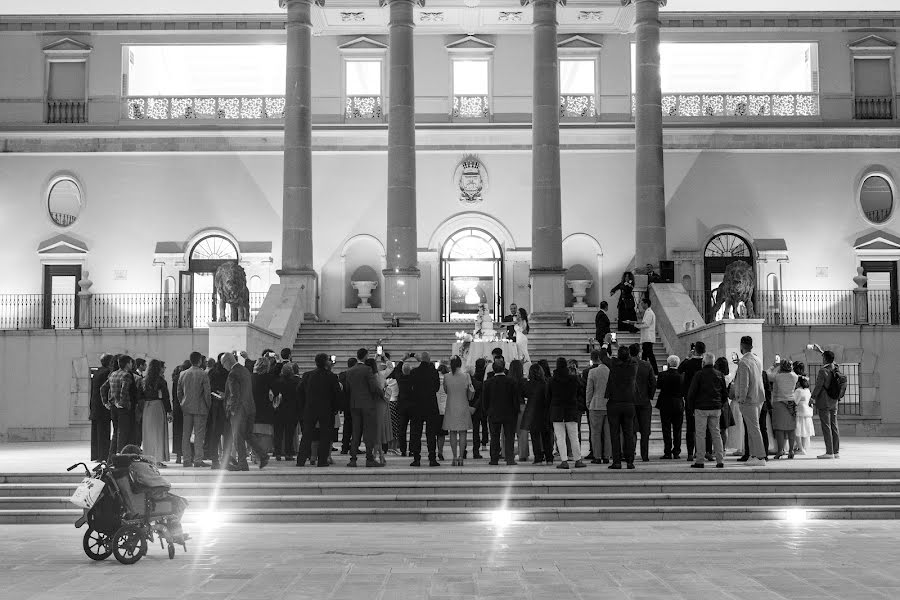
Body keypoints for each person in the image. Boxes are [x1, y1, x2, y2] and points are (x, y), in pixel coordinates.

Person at [296, 353, 342, 467]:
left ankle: (301, 460)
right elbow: (337, 394)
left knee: (307, 435)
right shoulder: (331, 376)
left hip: (310, 408)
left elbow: (299, 391)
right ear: (326, 362)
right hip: (326, 409)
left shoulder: (307, 375)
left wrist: (303, 405)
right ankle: (322, 460)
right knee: (325, 436)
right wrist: (336, 408)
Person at [344, 348, 383, 467]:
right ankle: (369, 458)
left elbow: (347, 389)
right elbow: (373, 387)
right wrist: (381, 394)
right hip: (367, 404)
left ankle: (353, 458)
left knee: (356, 432)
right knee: (368, 431)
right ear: (365, 356)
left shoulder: (349, 371)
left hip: (354, 404)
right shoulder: (367, 370)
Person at [732, 336, 768, 466]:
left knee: (753, 429)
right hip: (759, 398)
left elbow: (744, 384)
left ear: (741, 345)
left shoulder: (743, 362)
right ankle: (753, 455)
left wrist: (741, 399)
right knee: (753, 428)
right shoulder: (757, 359)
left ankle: (760, 457)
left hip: (748, 400)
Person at [687, 352, 727, 469]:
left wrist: (691, 407)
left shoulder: (699, 374)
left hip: (701, 408)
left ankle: (700, 460)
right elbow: (724, 393)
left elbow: (691, 393)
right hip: (716, 408)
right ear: (713, 363)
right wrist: (720, 404)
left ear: (703, 362)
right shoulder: (720, 375)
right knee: (716, 434)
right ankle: (720, 460)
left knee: (700, 434)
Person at [222, 352, 260, 471]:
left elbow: (234, 394)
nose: (224, 367)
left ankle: (242, 463)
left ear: (228, 361)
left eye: (223, 364)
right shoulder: (245, 370)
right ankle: (244, 462)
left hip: (238, 411)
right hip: (249, 408)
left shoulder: (233, 373)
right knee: (244, 436)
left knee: (238, 438)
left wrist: (231, 410)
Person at [547, 357, 583, 470]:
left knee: (560, 437)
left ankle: (564, 461)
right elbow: (580, 392)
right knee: (574, 436)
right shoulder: (573, 379)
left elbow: (548, 396)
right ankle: (578, 459)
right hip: (571, 410)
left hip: (557, 411)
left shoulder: (552, 380)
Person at [482, 360, 521, 466]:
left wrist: (487, 411)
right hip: (510, 414)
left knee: (494, 437)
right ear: (504, 368)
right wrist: (516, 411)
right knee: (509, 437)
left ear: (493, 369)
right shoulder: (512, 381)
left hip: (493, 413)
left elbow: (485, 400)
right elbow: (515, 399)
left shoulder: (488, 383)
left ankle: (494, 459)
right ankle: (510, 459)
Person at [178, 352, 211, 468]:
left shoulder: (183, 374)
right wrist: (208, 406)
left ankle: (186, 460)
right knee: (199, 435)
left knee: (185, 435)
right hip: (200, 408)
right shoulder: (203, 374)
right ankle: (197, 460)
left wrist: (182, 403)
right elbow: (207, 393)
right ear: (200, 361)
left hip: (186, 408)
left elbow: (179, 392)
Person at [606, 345, 637, 469]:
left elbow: (603, 356)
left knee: (614, 433)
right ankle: (630, 461)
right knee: (628, 433)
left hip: (614, 403)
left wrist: (606, 343)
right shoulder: (633, 365)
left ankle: (617, 461)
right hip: (629, 403)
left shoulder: (614, 364)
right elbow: (628, 358)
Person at [409, 352, 442, 467]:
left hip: (417, 406)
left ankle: (416, 458)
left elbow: (410, 389)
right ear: (429, 360)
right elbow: (437, 388)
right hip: (430, 405)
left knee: (416, 433)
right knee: (431, 433)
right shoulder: (434, 372)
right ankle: (432, 457)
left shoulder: (414, 372)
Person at [104, 354, 138, 461]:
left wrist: (106, 402)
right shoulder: (126, 375)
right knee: (122, 434)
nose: (132, 364)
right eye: (131, 362)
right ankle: (119, 458)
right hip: (123, 408)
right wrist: (122, 403)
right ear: (127, 363)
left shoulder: (112, 374)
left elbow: (102, 388)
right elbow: (124, 390)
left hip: (114, 408)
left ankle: (111, 458)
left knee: (115, 432)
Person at [442, 355, 475, 466]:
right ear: (460, 364)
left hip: (451, 406)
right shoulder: (466, 376)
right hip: (463, 405)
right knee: (462, 432)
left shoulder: (446, 377)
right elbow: (469, 392)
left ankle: (454, 457)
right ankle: (461, 457)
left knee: (452, 432)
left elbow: (446, 391)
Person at [139, 359, 171, 467]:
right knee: (158, 433)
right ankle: (157, 459)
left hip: (147, 408)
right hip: (157, 406)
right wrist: (169, 411)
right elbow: (166, 397)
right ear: (158, 368)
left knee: (148, 434)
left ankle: (148, 458)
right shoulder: (161, 381)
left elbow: (140, 396)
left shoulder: (143, 380)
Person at [627, 343, 656, 462]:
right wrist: (649, 395)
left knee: (631, 429)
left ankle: (631, 453)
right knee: (645, 431)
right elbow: (653, 383)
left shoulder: (626, 365)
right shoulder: (647, 365)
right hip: (644, 401)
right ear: (639, 352)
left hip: (630, 401)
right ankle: (645, 455)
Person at [811, 350, 842, 459]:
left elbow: (819, 386)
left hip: (824, 401)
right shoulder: (836, 368)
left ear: (824, 359)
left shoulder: (822, 371)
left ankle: (829, 452)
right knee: (834, 425)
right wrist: (821, 350)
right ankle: (836, 451)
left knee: (826, 427)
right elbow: (832, 359)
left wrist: (812, 397)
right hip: (834, 401)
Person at [678, 342, 706, 462]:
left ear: (694, 351)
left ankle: (690, 453)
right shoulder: (705, 364)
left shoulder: (688, 363)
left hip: (690, 398)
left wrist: (687, 357)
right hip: (703, 398)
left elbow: (679, 370)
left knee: (690, 427)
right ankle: (702, 451)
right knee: (703, 428)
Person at [250, 356, 278, 468]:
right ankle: (260, 455)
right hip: (265, 410)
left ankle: (254, 454)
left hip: (252, 409)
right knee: (264, 436)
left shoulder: (251, 377)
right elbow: (275, 393)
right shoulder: (270, 378)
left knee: (253, 434)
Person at [521, 363, 552, 464]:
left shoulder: (528, 384)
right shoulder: (546, 383)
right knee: (546, 436)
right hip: (544, 411)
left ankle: (538, 458)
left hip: (532, 412)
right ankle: (549, 458)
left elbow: (524, 394)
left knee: (535, 437)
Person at [768, 358, 798, 460]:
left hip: (779, 403)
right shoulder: (795, 376)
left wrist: (774, 366)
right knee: (791, 428)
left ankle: (780, 450)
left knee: (779, 429)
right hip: (791, 403)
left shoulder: (777, 377)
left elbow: (767, 374)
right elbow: (792, 371)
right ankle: (791, 450)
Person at [585, 350, 611, 464]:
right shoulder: (611, 371)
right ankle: (607, 456)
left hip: (595, 405)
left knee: (595, 432)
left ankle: (597, 456)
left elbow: (589, 390)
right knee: (608, 433)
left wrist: (588, 403)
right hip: (609, 405)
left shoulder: (593, 372)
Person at [656, 355, 684, 459]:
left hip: (665, 404)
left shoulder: (662, 374)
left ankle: (667, 451)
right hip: (678, 404)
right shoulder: (682, 375)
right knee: (678, 429)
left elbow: (658, 386)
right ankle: (676, 451)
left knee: (666, 429)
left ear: (668, 364)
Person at [205, 354, 228, 469]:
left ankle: (215, 460)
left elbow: (208, 389)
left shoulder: (212, 372)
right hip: (226, 406)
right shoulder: (228, 372)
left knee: (215, 434)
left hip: (214, 406)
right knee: (227, 434)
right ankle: (225, 460)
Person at [364, 357, 389, 466]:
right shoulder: (380, 375)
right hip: (381, 404)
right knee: (378, 431)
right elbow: (391, 367)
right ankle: (380, 455)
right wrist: (384, 357)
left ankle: (377, 455)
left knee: (376, 432)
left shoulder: (370, 376)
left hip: (373, 403)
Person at [274, 362, 300, 462]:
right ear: (292, 372)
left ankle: (278, 453)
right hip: (292, 411)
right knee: (289, 434)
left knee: (278, 433)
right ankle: (288, 453)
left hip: (279, 410)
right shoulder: (296, 382)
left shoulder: (277, 382)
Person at [89, 353, 113, 462]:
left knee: (96, 432)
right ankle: (103, 456)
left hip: (95, 406)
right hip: (103, 407)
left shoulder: (97, 371)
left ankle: (96, 455)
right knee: (104, 432)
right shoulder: (107, 372)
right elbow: (106, 390)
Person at [508, 359, 529, 462]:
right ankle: (523, 454)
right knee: (522, 432)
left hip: (509, 407)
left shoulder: (508, 380)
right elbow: (526, 393)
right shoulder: (523, 380)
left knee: (508, 432)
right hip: (521, 405)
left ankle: (507, 452)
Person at [170, 359, 190, 465]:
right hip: (186, 407)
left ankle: (178, 455)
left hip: (177, 407)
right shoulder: (187, 377)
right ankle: (187, 455)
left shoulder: (175, 379)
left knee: (177, 432)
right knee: (187, 431)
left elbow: (174, 396)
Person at [793, 362, 814, 455]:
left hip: (799, 413)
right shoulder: (807, 390)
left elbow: (795, 402)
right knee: (805, 432)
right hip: (807, 413)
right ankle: (804, 448)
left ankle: (800, 449)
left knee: (797, 432)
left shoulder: (798, 391)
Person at [634, 297, 658, 376]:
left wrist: (635, 325)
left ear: (646, 304)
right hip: (647, 337)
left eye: (642, 303)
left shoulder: (649, 312)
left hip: (648, 337)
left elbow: (646, 324)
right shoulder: (647, 312)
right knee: (645, 354)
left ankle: (655, 371)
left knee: (649, 355)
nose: (641, 305)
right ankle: (643, 370)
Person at [339, 357, 357, 455]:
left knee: (347, 426)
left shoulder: (342, 375)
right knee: (356, 427)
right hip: (355, 403)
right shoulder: (355, 375)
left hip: (346, 404)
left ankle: (344, 447)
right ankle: (354, 447)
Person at [469, 357, 487, 459]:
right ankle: (480, 446)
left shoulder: (473, 377)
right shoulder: (483, 377)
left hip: (469, 406)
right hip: (480, 407)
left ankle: (465, 450)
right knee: (483, 426)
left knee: (474, 429)